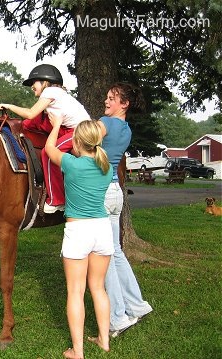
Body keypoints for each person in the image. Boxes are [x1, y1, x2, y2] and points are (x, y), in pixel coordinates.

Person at [45, 115, 114, 358]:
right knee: (98, 288)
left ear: (76, 142)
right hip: (102, 230)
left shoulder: (71, 164)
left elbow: (48, 148)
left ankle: (78, 351)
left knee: (75, 291)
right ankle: (104, 340)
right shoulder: (108, 168)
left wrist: (55, 126)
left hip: (78, 231)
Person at [97, 82, 153, 337]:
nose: (106, 101)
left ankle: (118, 317)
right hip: (115, 193)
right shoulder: (126, 130)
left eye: (112, 98)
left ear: (124, 103)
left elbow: (83, 142)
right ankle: (137, 304)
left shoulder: (105, 124)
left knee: (104, 256)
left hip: (100, 193)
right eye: (107, 98)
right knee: (116, 252)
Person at [0, 63, 90, 213]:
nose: (32, 86)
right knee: (29, 124)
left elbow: (30, 113)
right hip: (69, 128)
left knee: (48, 153)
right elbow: (32, 120)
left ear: (45, 81)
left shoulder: (51, 91)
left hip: (80, 132)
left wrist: (9, 106)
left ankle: (57, 200)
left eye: (34, 82)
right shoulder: (57, 96)